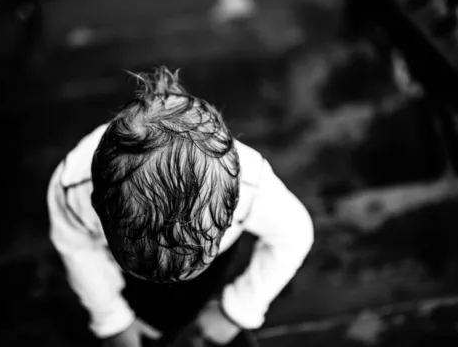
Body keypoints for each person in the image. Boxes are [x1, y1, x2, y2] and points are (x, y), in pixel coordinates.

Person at [47, 67, 314, 347]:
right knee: (138, 300)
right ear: (98, 209)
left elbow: (294, 235)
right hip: (122, 272)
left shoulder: (253, 187)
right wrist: (113, 320)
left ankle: (190, 298)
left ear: (232, 209)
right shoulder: (70, 189)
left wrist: (235, 311)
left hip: (206, 266)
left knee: (191, 299)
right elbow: (78, 250)